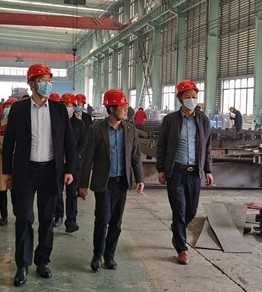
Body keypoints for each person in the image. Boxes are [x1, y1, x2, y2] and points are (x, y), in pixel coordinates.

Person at [1, 63, 77, 287]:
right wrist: (7, 172)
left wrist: (70, 170)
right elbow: (9, 143)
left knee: (47, 218)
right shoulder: (19, 110)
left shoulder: (59, 110)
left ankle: (42, 260)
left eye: (48, 80)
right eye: (42, 80)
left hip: (51, 170)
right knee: (24, 217)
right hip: (25, 170)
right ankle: (22, 264)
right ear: (31, 84)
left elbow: (69, 142)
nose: (46, 84)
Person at [79, 89, 144, 272]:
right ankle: (97, 255)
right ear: (112, 108)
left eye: (126, 106)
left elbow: (135, 156)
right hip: (103, 182)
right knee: (102, 219)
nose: (126, 110)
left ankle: (109, 255)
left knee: (116, 221)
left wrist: (139, 178)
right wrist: (83, 185)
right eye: (122, 107)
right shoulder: (96, 129)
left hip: (122, 181)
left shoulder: (130, 129)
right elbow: (87, 159)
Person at [155, 79, 214, 265]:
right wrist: (161, 168)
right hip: (176, 172)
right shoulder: (170, 120)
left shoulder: (203, 120)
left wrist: (208, 170)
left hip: (195, 172)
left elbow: (207, 147)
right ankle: (182, 248)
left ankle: (177, 229)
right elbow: (162, 145)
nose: (191, 99)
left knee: (191, 211)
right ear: (180, 98)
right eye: (187, 96)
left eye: (194, 96)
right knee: (179, 210)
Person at [53, 93, 87, 232]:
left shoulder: (80, 124)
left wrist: (74, 156)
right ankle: (58, 215)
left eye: (69, 105)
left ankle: (71, 220)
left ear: (74, 107)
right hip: (58, 163)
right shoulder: (56, 123)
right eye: (64, 105)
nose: (67, 107)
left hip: (74, 165)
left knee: (72, 193)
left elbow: (83, 143)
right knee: (57, 191)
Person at [0, 97, 18, 226]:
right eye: (7, 107)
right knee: (2, 190)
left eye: (11, 107)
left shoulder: (21, 126)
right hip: (1, 161)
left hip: (16, 161)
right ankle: (3, 216)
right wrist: (5, 149)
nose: (8, 109)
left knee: (15, 190)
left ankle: (18, 214)